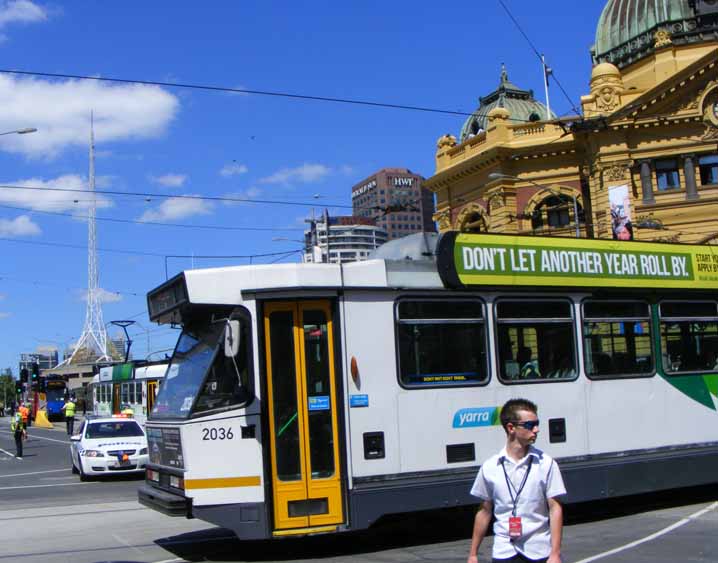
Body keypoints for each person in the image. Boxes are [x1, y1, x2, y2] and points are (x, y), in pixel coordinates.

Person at [467, 398, 566, 563]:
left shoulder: (546, 464)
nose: (537, 429)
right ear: (511, 428)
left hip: (539, 550)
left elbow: (555, 508)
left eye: (537, 423)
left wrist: (555, 553)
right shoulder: (490, 467)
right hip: (504, 550)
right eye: (529, 425)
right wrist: (473, 554)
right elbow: (484, 510)